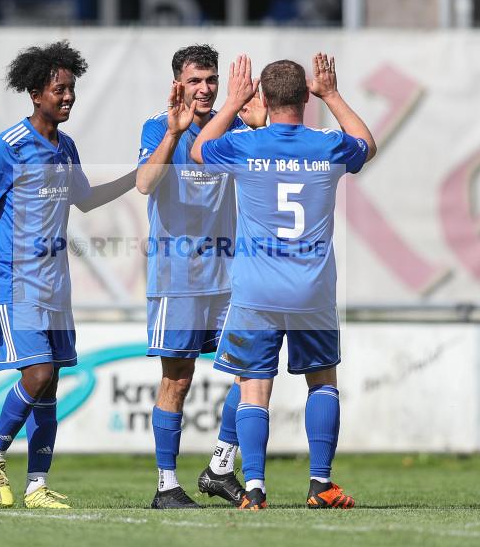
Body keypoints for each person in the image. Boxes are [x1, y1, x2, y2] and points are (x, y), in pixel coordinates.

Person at [189, 53, 377, 509]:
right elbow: (366, 143)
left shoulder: (244, 145)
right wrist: (332, 93)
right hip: (312, 288)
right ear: (305, 98)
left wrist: (232, 104)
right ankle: (320, 484)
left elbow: (198, 150)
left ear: (264, 98)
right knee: (322, 383)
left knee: (254, 387)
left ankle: (254, 488)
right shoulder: (327, 146)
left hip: (257, 289)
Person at [0, 41, 136, 509]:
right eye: (60, 89)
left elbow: (86, 199)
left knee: (52, 380)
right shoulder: (7, 148)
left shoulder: (66, 147)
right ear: (36, 93)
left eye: (72, 89)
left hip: (54, 282)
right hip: (12, 281)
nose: (69, 97)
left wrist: (134, 178)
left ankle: (37, 486)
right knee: (37, 374)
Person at [136, 45, 266, 508]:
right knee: (178, 378)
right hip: (178, 276)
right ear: (178, 83)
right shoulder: (158, 126)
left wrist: (259, 127)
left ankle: (220, 466)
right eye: (196, 81)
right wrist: (172, 135)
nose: (206, 89)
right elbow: (145, 184)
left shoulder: (231, 127)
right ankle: (167, 485)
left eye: (211, 80)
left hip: (231, 275)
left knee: (251, 371)